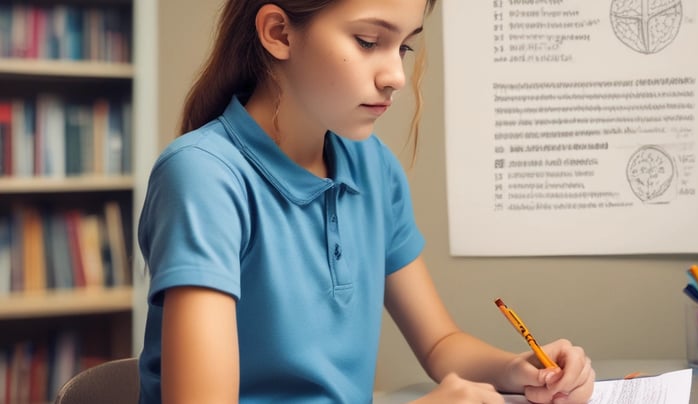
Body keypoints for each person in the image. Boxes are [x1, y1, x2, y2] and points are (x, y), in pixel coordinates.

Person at [136, 0, 595, 403]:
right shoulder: (204, 175)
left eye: (404, 47)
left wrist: (519, 369)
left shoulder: (373, 166)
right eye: (368, 42)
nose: (396, 76)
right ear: (279, 33)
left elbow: (440, 343)